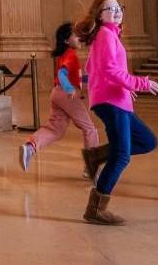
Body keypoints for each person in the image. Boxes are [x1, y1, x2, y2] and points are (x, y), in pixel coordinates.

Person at [77, 0, 158, 226]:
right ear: (99, 14)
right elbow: (110, 71)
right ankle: (95, 209)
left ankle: (96, 156)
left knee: (147, 141)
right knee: (122, 156)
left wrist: (126, 89)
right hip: (111, 102)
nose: (116, 11)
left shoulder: (109, 35)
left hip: (117, 99)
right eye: (109, 8)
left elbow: (93, 68)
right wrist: (140, 83)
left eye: (118, 7)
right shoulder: (105, 34)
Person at [19, 22, 101, 176]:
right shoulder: (71, 55)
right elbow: (62, 75)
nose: (79, 37)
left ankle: (30, 146)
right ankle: (92, 166)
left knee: (56, 129)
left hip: (56, 93)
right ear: (66, 40)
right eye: (75, 35)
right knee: (89, 128)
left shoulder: (65, 55)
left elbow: (75, 77)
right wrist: (70, 89)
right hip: (66, 94)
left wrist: (93, 79)